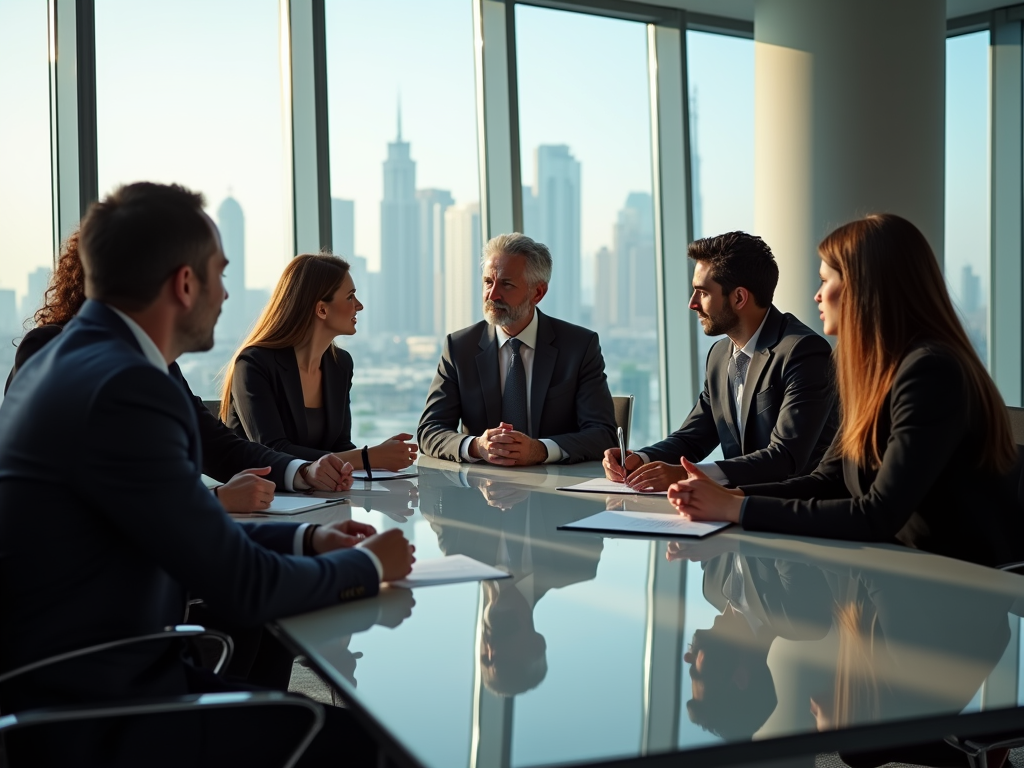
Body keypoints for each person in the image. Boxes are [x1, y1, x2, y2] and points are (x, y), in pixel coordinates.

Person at [0, 182, 416, 766]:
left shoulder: (73, 362)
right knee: (388, 747)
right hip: (101, 708)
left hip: (76, 676)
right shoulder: (126, 385)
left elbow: (182, 523)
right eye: (220, 273)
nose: (226, 293)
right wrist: (365, 567)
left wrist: (306, 537)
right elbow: (242, 584)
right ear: (185, 283)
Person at [667, 214, 1021, 567]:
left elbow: (877, 514)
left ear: (864, 286)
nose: (817, 295)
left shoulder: (930, 372)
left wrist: (736, 507)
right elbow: (828, 480)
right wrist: (732, 495)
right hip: (898, 580)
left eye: (825, 281)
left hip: (957, 592)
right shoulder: (872, 373)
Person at [4, 231, 352, 513]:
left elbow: (217, 445)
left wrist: (303, 472)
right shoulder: (49, 348)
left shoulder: (160, 362)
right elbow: (85, 486)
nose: (217, 295)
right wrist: (214, 501)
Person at [604, 231, 837, 492]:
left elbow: (786, 457)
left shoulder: (803, 351)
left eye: (702, 292)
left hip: (794, 512)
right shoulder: (719, 354)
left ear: (739, 298)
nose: (692, 304)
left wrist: (687, 474)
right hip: (734, 507)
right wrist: (640, 459)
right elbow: (693, 438)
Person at [418, 232, 617, 465]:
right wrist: (476, 446)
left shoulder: (579, 347)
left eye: (507, 284)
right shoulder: (460, 347)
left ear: (538, 293)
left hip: (557, 488)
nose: (492, 295)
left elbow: (603, 435)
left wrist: (540, 450)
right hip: (481, 490)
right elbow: (429, 430)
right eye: (488, 282)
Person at [223, 252, 417, 471]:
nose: (359, 305)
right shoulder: (253, 364)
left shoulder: (340, 364)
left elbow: (340, 445)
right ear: (322, 309)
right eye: (350, 296)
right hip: (264, 498)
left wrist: (378, 459)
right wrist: (366, 458)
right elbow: (272, 450)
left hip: (318, 497)